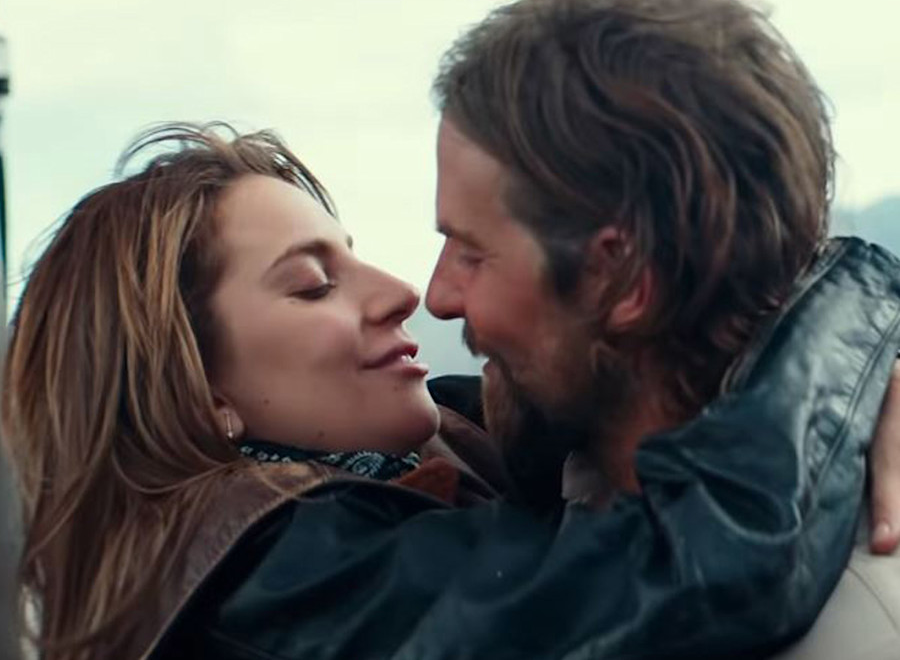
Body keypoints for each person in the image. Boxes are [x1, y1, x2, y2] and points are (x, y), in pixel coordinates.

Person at [2, 119, 900, 660]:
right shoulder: (273, 580)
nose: (405, 291)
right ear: (199, 394)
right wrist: (856, 291)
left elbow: (583, 389)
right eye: (314, 284)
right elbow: (709, 570)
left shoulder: (413, 457)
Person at [422, 0, 900, 657]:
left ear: (623, 281)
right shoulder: (565, 481)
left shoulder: (854, 631)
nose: (437, 296)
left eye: (471, 253)